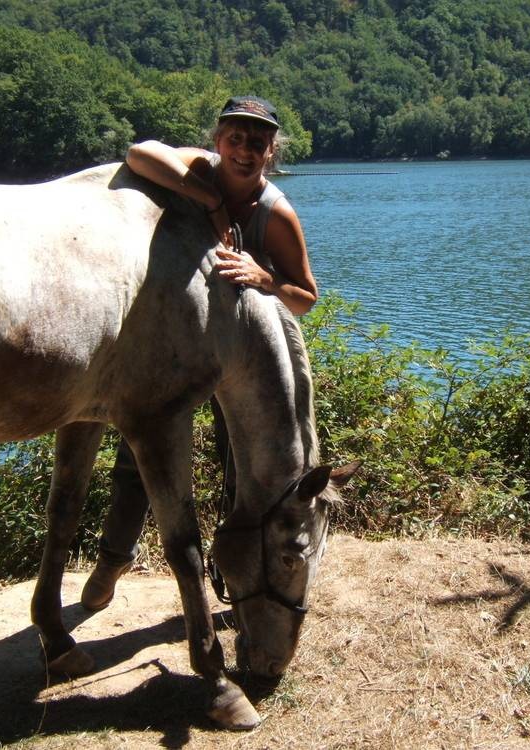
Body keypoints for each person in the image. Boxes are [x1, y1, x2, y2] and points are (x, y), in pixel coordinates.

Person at [81, 95, 319, 611]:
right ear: (218, 141)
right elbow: (139, 152)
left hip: (242, 364)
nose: (245, 149)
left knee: (241, 473)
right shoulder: (200, 171)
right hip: (179, 351)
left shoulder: (275, 214)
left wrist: (266, 279)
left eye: (258, 141)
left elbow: (306, 296)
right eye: (235, 138)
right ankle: (112, 561)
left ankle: (232, 578)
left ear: (271, 150)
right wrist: (207, 201)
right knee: (139, 459)